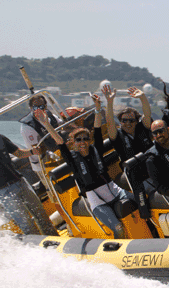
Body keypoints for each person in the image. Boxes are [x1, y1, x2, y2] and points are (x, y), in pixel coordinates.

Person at [35, 96, 134, 239]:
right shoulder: (72, 159)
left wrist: (98, 109)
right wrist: (46, 123)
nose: (83, 142)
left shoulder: (96, 149)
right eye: (78, 140)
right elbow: (59, 142)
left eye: (85, 139)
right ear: (74, 143)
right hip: (98, 201)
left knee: (141, 199)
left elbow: (98, 129)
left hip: (116, 192)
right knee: (117, 227)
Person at [102, 84, 154, 221]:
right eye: (124, 120)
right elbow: (109, 124)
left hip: (152, 166)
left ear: (137, 121)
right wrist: (109, 102)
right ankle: (146, 217)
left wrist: (142, 97)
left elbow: (147, 114)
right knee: (145, 191)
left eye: (131, 120)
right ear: (120, 122)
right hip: (135, 173)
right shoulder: (117, 136)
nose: (128, 123)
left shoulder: (143, 128)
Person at [19, 94, 61, 174]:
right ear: (31, 108)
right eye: (35, 107)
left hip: (60, 156)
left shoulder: (51, 116)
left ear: (45, 106)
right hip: (42, 165)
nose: (39, 110)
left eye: (41, 107)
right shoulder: (27, 127)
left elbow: (63, 126)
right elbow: (37, 149)